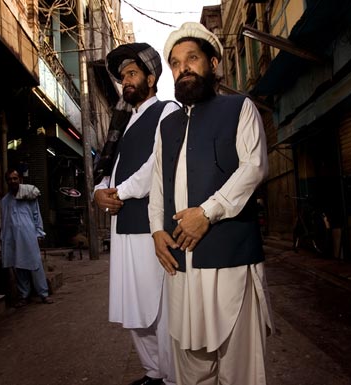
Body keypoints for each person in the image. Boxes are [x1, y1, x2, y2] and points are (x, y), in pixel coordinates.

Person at [149, 22, 274, 385]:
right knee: (191, 368)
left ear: (213, 63)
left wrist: (207, 212)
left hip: (230, 256)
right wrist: (157, 230)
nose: (183, 67)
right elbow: (159, 184)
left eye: (192, 58)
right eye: (175, 63)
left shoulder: (240, 108)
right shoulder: (167, 125)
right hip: (180, 263)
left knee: (241, 368)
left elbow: (254, 167)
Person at [93, 42, 180, 385]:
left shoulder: (168, 111)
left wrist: (120, 192)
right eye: (123, 76)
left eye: (132, 74)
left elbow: (158, 165)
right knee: (135, 308)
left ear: (151, 76)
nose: (125, 81)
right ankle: (154, 372)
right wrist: (99, 192)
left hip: (151, 224)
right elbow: (105, 170)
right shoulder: (122, 122)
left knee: (158, 309)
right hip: (123, 225)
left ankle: (173, 378)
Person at [0, 168, 53, 308]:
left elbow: (36, 215)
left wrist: (39, 233)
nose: (12, 181)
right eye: (10, 179)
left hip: (29, 236)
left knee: (35, 265)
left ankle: (44, 294)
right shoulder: (5, 202)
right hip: (13, 239)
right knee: (19, 267)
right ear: (6, 182)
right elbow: (5, 222)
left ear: (20, 180)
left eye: (15, 178)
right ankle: (24, 295)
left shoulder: (29, 196)